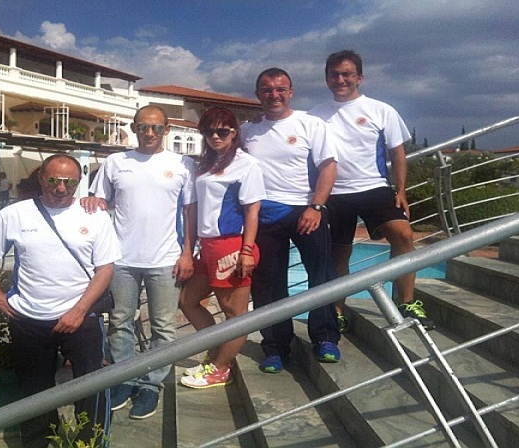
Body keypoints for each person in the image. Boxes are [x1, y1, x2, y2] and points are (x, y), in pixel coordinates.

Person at [0, 154, 121, 447]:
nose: (61, 188)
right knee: (34, 393)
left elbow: (105, 269)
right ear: (40, 178)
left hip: (82, 319)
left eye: (69, 182)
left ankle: (92, 443)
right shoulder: (16, 214)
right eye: (53, 180)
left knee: (92, 388)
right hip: (29, 319)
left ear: (78, 183)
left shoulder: (94, 215)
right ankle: (40, 442)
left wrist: (79, 311)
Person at [82, 105, 197, 419]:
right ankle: (124, 378)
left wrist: (188, 252)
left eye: (156, 128)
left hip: (166, 258)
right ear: (133, 129)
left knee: (163, 327)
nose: (149, 133)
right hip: (121, 259)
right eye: (143, 127)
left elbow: (190, 212)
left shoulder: (182, 164)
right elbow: (101, 201)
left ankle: (150, 384)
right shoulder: (116, 162)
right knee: (120, 322)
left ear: (166, 130)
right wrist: (92, 200)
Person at [308, 49, 434, 330]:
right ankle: (338, 312)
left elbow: (397, 153)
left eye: (347, 74)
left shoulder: (381, 110)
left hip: (374, 187)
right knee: (339, 255)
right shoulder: (314, 117)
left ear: (360, 78)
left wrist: (401, 190)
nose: (340, 79)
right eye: (334, 75)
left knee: (403, 235)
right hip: (334, 194)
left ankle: (407, 301)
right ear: (327, 79)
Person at [239, 68, 340, 374]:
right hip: (264, 215)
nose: (274, 95)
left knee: (321, 274)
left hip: (305, 211)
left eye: (280, 89)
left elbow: (328, 167)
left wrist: (316, 206)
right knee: (268, 285)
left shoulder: (311, 124)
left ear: (291, 92)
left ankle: (325, 337)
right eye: (267, 90)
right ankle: (276, 347)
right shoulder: (247, 131)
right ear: (258, 94)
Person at [178, 107, 266, 389]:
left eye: (222, 131)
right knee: (188, 301)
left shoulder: (247, 164)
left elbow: (252, 211)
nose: (215, 136)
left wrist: (247, 251)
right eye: (208, 131)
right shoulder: (205, 164)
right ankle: (217, 352)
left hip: (230, 245)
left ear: (234, 132)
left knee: (234, 314)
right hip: (207, 246)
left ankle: (220, 368)